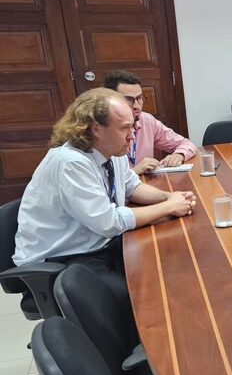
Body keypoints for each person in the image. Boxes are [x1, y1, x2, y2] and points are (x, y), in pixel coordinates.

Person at [14, 88, 197, 308]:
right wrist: (168, 207)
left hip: (96, 245)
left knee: (167, 267)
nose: (132, 134)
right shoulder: (71, 163)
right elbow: (108, 222)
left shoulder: (112, 150)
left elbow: (132, 187)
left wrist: (170, 197)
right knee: (141, 294)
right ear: (96, 129)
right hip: (63, 257)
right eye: (125, 128)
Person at [103, 70, 197, 175]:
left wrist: (178, 155)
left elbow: (186, 143)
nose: (136, 105)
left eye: (139, 98)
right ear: (111, 100)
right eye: (128, 99)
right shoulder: (103, 128)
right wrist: (134, 172)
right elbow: (103, 182)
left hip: (145, 187)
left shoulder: (146, 120)